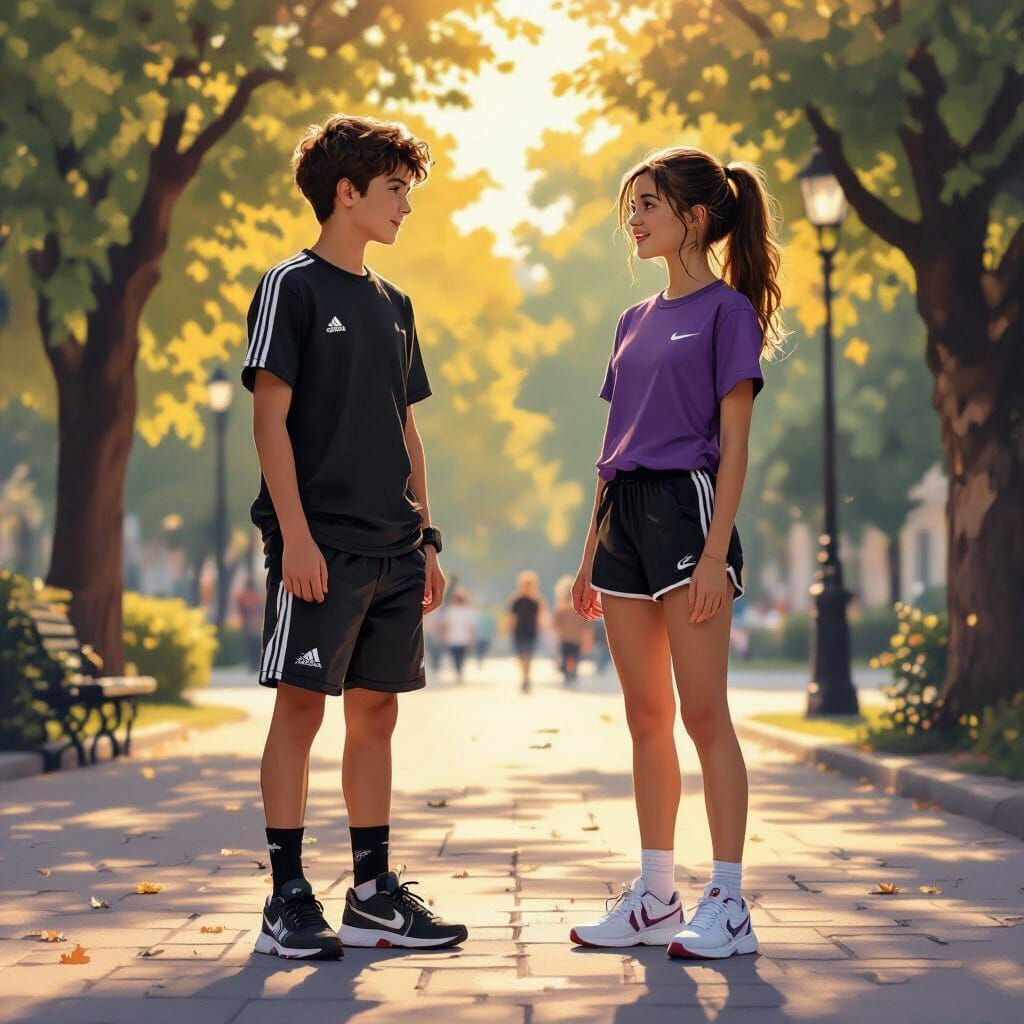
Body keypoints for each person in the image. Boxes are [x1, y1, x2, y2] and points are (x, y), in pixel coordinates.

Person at [242, 114, 467, 960]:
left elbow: (407, 429)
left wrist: (429, 538)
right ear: (347, 192)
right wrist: (294, 536)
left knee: (376, 714)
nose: (407, 206)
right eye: (396, 189)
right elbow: (270, 418)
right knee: (300, 711)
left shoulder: (395, 303)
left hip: (395, 548)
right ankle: (286, 896)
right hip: (320, 543)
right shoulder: (291, 287)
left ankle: (372, 895)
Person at [569, 147, 783, 959]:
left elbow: (734, 447)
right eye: (633, 205)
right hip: (623, 518)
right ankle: (655, 895)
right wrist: (590, 550)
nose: (636, 218)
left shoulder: (729, 314)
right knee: (644, 717)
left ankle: (727, 900)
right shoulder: (632, 320)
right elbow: (611, 444)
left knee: (703, 715)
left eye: (649, 204)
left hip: (690, 513)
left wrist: (715, 551)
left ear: (694, 218)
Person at [506, 571, 546, 692]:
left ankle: (526, 678)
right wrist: (509, 629)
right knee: (521, 656)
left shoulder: (537, 601)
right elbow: (512, 617)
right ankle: (525, 677)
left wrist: (541, 630)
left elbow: (539, 618)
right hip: (519, 632)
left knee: (528, 656)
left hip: (531, 632)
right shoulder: (515, 600)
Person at [552, 574, 592, 684]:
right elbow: (586, 625)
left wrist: (558, 635)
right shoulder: (580, 607)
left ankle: (567, 671)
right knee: (573, 656)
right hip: (576, 638)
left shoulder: (561, 607)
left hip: (565, 638)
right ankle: (571, 671)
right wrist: (587, 640)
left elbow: (556, 623)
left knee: (566, 656)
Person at [443, 588, 478, 683]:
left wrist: (445, 636)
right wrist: (472, 638)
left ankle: (458, 671)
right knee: (461, 657)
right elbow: (471, 627)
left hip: (453, 638)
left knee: (455, 657)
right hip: (464, 639)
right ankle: (459, 671)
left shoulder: (450, 610)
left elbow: (447, 625)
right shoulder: (468, 611)